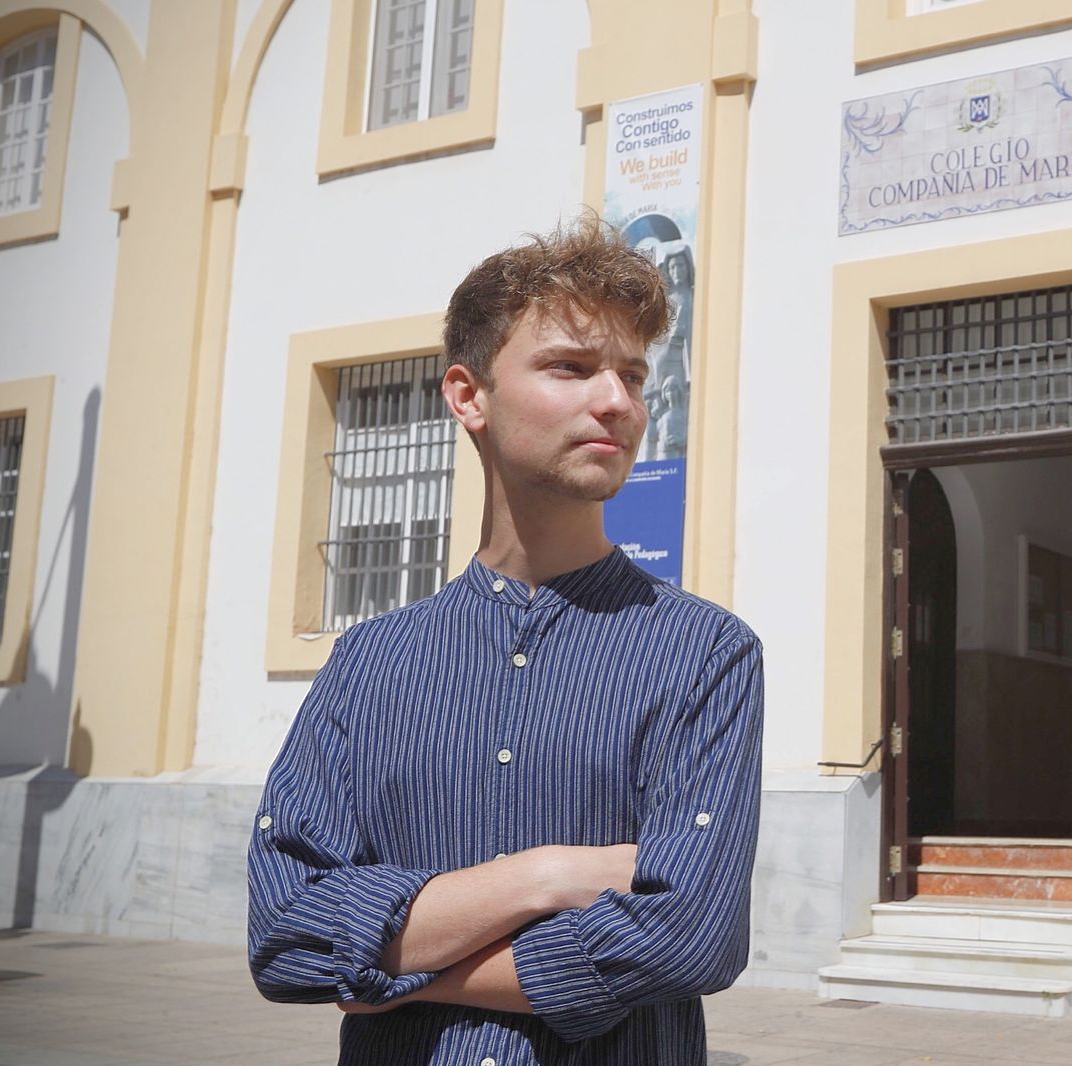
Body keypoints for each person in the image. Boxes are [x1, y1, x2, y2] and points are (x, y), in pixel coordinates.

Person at [246, 216, 764, 1066]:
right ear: (467, 395)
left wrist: (396, 968)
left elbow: (689, 938)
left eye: (633, 375)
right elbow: (286, 932)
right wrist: (548, 877)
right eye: (571, 367)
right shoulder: (369, 665)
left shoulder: (705, 655)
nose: (618, 402)